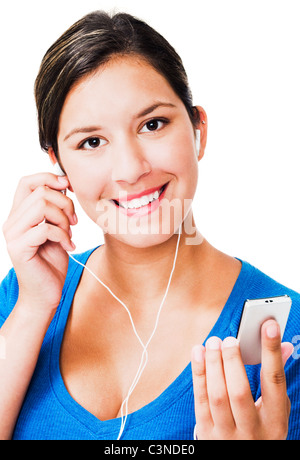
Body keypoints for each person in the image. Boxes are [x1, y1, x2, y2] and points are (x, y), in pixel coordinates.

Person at [0, 10, 299, 441]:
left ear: (199, 130)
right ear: (57, 164)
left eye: (152, 124)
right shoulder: (25, 296)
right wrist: (33, 308)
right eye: (92, 142)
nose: (130, 169)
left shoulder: (283, 337)